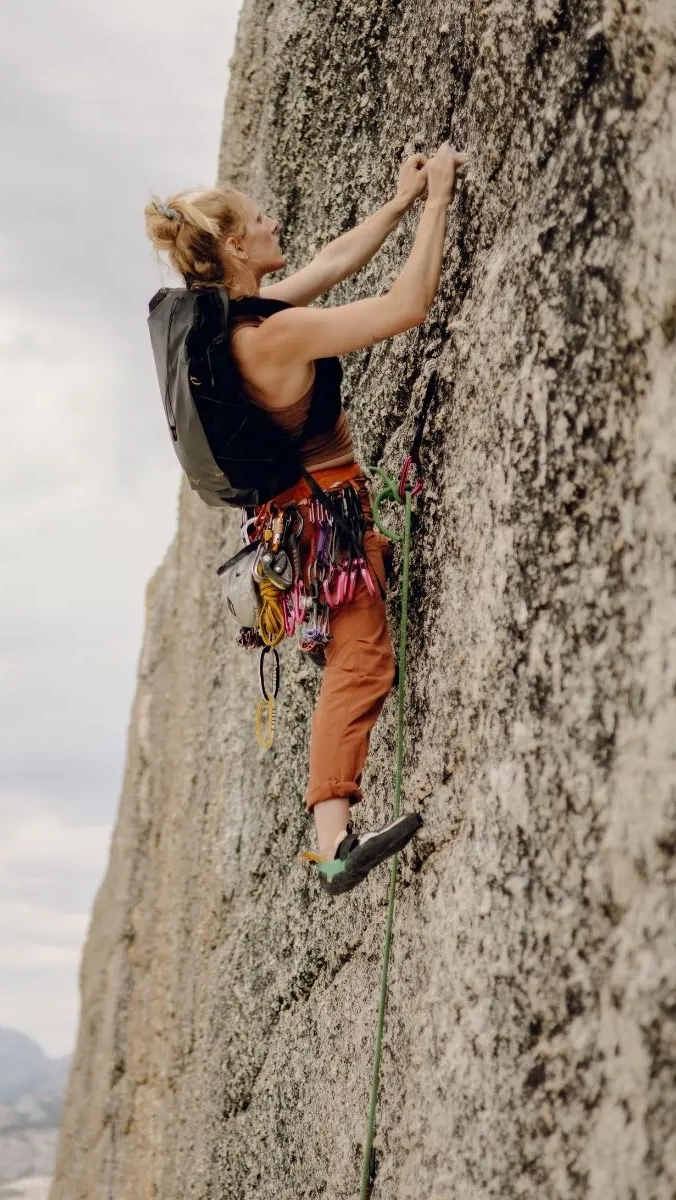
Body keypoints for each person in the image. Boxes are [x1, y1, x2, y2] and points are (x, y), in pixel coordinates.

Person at [144, 145, 468, 894]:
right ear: (233, 245)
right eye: (259, 220)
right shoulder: (273, 335)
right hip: (326, 529)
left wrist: (400, 200)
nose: (273, 223)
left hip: (299, 530)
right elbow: (405, 307)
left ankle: (333, 833)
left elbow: (330, 261)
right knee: (361, 665)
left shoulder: (243, 327)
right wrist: (442, 201)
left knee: (353, 657)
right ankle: (333, 840)